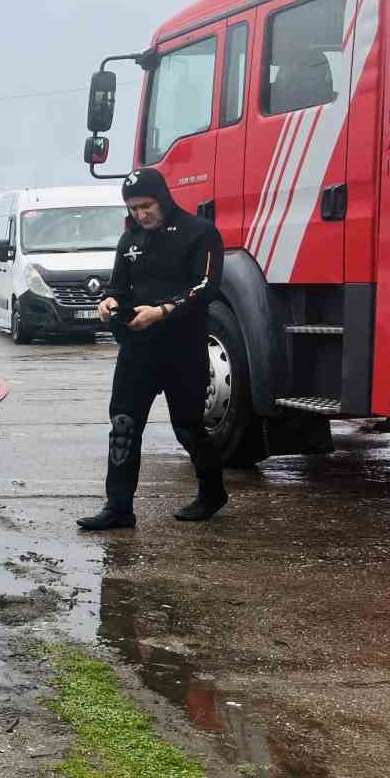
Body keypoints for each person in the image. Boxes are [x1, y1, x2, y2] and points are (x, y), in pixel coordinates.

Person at [79, 168, 228, 531]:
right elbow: (118, 286)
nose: (140, 215)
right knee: (124, 426)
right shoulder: (129, 240)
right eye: (132, 208)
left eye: (145, 206)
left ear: (163, 197)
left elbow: (207, 286)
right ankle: (118, 508)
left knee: (188, 427)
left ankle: (212, 493)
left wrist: (163, 311)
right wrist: (110, 301)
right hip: (137, 349)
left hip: (183, 348)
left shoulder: (201, 233)